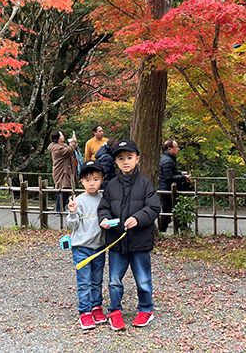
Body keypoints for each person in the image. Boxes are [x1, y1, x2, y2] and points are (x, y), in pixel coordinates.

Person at [98, 139, 161, 331]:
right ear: (116, 162)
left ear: (137, 159)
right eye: (121, 158)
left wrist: (139, 218)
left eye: (130, 158)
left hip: (140, 241)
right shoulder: (111, 185)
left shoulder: (145, 183)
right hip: (117, 242)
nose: (126, 162)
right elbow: (104, 207)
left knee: (143, 278)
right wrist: (105, 220)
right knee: (114, 279)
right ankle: (115, 310)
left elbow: (154, 207)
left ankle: (146, 308)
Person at [67, 160, 107, 330]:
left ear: (102, 180)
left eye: (96, 179)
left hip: (99, 247)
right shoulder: (79, 200)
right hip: (81, 247)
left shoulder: (104, 198)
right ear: (81, 181)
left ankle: (96, 307)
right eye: (88, 179)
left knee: (97, 280)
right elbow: (72, 225)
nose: (92, 183)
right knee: (84, 281)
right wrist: (73, 212)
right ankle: (84, 311)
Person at [158, 139, 191, 233]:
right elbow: (169, 177)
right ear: (170, 149)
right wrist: (183, 178)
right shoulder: (167, 161)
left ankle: (185, 231)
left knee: (177, 211)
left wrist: (181, 173)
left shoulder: (168, 159)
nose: (178, 149)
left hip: (169, 190)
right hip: (168, 191)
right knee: (167, 214)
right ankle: (161, 232)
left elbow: (171, 173)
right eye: (176, 147)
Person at [48, 129, 78, 212]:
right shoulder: (56, 148)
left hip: (66, 170)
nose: (63, 136)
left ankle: (62, 208)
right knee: (63, 189)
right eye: (61, 135)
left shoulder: (62, 145)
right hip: (61, 171)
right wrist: (73, 142)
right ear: (58, 138)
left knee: (66, 189)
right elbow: (69, 150)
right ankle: (59, 209)